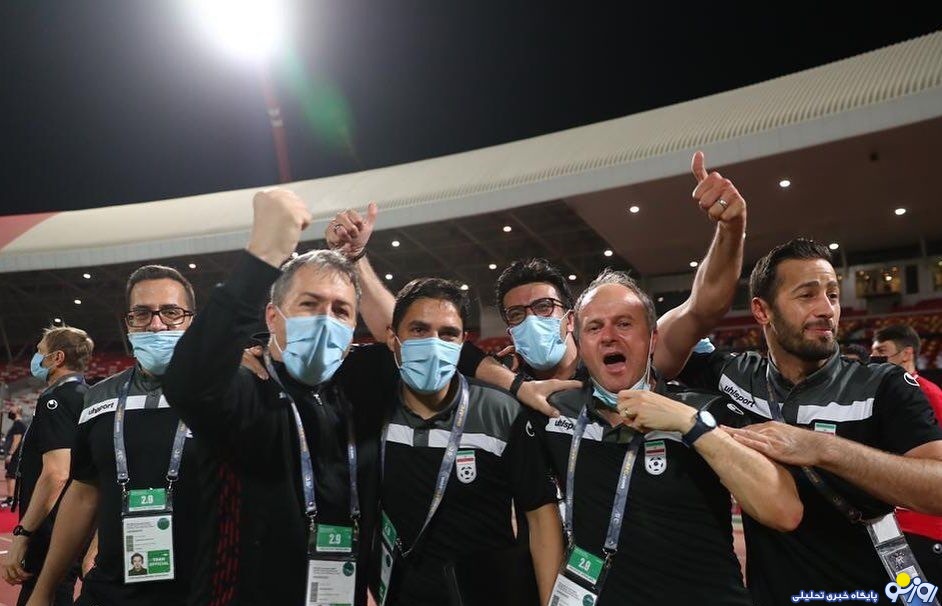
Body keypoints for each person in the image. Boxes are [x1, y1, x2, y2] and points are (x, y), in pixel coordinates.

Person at [679, 239, 942, 604]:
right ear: (761, 310)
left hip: (871, 591)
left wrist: (820, 448)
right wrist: (729, 232)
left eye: (833, 295)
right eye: (807, 295)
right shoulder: (734, 377)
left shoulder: (882, 385)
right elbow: (663, 343)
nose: (826, 310)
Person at [527, 268, 801, 605]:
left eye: (624, 324)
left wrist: (690, 425)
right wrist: (517, 385)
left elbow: (784, 510)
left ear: (652, 338)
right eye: (594, 327)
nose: (609, 336)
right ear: (580, 344)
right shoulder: (556, 412)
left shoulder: (705, 409)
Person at [375, 278, 563, 606]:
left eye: (448, 333)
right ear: (393, 337)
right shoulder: (371, 407)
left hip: (488, 594)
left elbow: (540, 514)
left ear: (463, 341)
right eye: (419, 330)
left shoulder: (500, 411)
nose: (433, 344)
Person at [26, 265, 202, 606]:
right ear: (128, 323)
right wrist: (44, 589)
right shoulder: (99, 398)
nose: (156, 324)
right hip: (111, 590)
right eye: (142, 314)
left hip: (201, 593)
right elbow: (84, 493)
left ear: (191, 321)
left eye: (171, 312)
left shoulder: (227, 393)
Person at [2, 326, 92, 606]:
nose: (36, 357)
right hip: (75, 519)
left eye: (40, 351)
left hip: (52, 525)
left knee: (45, 592)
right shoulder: (88, 395)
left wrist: (23, 533)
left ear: (57, 358)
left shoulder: (57, 399)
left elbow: (56, 473)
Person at [872, 323, 942, 582]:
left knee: (918, 597)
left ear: (906, 354)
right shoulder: (886, 394)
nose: (874, 358)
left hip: (922, 527)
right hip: (894, 524)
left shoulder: (926, 394)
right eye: (873, 352)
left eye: (882, 351)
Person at [3, 405, 27, 507]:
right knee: (9, 475)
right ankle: (10, 497)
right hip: (15, 454)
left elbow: (17, 440)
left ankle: (11, 499)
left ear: (17, 411)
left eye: (12, 409)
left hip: (15, 455)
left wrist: (11, 454)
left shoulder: (18, 424)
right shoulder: (18, 424)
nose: (10, 411)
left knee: (11, 475)